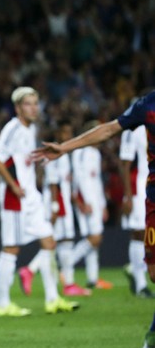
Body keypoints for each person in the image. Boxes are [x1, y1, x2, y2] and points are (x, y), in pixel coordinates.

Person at [32, 89, 155, 348]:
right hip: (152, 196)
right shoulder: (147, 104)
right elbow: (109, 129)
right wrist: (64, 147)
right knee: (152, 271)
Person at [0, 86, 79, 317]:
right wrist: (12, 184)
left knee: (49, 241)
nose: (34, 108)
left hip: (32, 196)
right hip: (15, 197)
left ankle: (52, 299)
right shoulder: (13, 128)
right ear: (18, 108)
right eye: (28, 104)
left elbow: (23, 161)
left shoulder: (31, 130)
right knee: (11, 248)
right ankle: (2, 303)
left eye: (36, 103)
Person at [27, 119, 92, 297]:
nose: (68, 136)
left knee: (60, 243)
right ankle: (36, 272)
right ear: (58, 134)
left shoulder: (64, 152)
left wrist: (76, 201)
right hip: (57, 203)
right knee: (61, 241)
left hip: (61, 201)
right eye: (65, 133)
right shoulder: (56, 152)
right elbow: (53, 183)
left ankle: (58, 280)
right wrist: (56, 208)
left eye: (70, 133)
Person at [68, 120, 112, 291]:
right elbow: (77, 180)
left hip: (95, 202)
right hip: (86, 202)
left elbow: (96, 183)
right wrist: (81, 201)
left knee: (94, 241)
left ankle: (93, 278)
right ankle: (65, 265)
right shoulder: (81, 152)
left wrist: (102, 205)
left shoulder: (95, 153)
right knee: (94, 238)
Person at [119, 124, 154, 298]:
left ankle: (134, 268)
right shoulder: (133, 128)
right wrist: (128, 195)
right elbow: (125, 164)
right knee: (140, 232)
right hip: (140, 187)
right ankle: (140, 284)